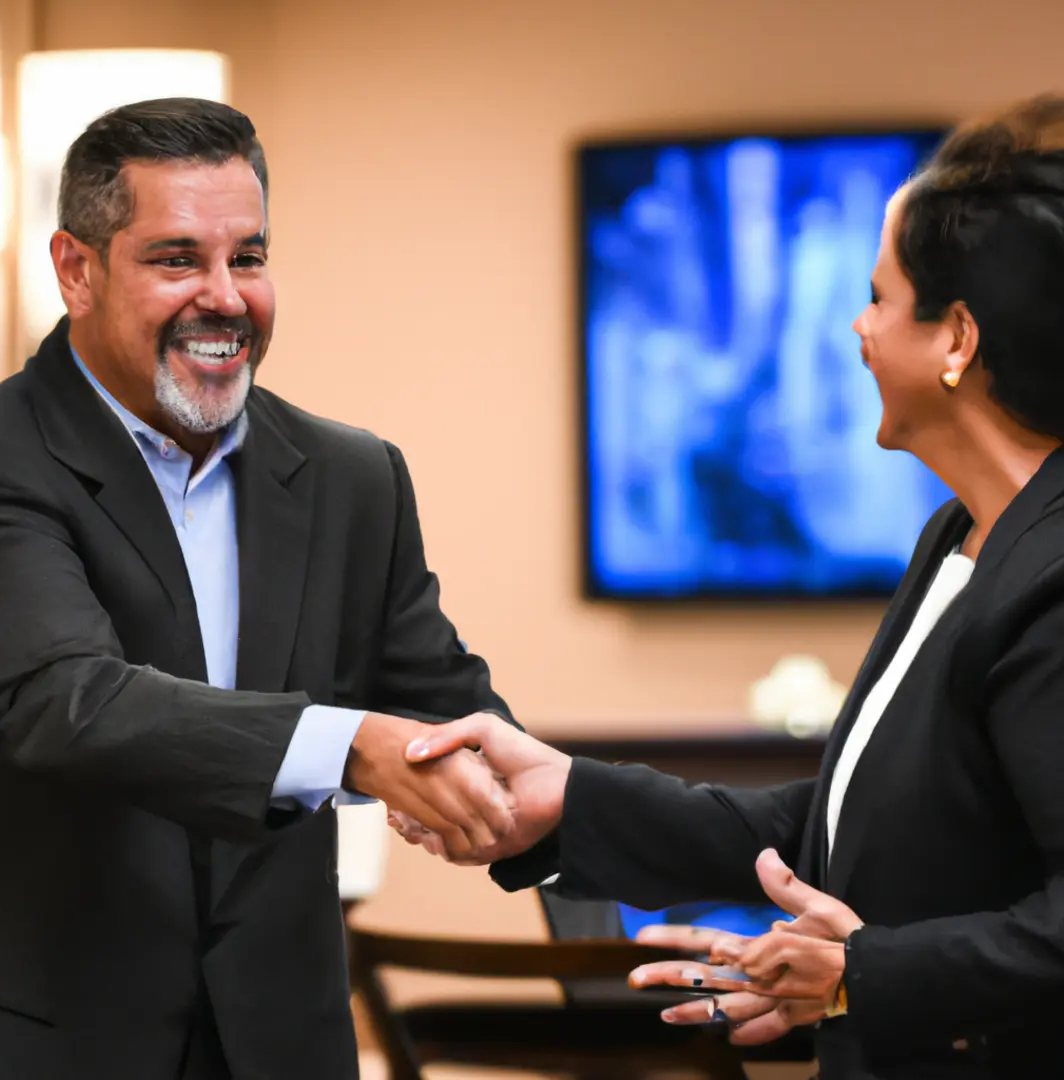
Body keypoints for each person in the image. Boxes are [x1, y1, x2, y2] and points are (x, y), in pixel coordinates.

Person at [395, 93, 1064, 1079]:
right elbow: (837, 824)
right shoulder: (958, 538)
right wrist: (566, 796)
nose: (858, 328)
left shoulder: (1049, 578)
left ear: (956, 339)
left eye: (879, 298)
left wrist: (859, 973)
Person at [0, 98, 516, 1080]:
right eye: (177, 259)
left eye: (251, 257)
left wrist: (570, 820)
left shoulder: (356, 475)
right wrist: (352, 747)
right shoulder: (1, 459)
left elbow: (442, 707)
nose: (225, 297)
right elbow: (68, 704)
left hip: (292, 1046)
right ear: (76, 270)